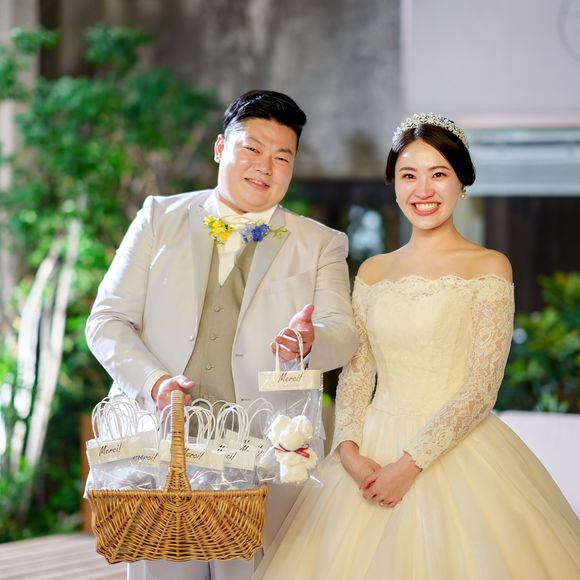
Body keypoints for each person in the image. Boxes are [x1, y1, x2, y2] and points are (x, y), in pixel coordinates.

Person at [253, 113, 580, 579]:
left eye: (438, 174)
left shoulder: (489, 266)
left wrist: (408, 466)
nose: (422, 189)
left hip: (456, 452)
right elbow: (357, 373)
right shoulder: (372, 271)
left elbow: (480, 389)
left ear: (462, 183)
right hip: (368, 452)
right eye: (409, 175)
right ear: (394, 185)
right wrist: (349, 451)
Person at [85, 89, 358, 580]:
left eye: (282, 157)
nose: (265, 167)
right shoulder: (158, 218)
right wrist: (153, 383)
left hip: (267, 454)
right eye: (252, 148)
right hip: (161, 448)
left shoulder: (321, 243)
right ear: (219, 148)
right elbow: (106, 321)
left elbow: (344, 334)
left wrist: (310, 339)